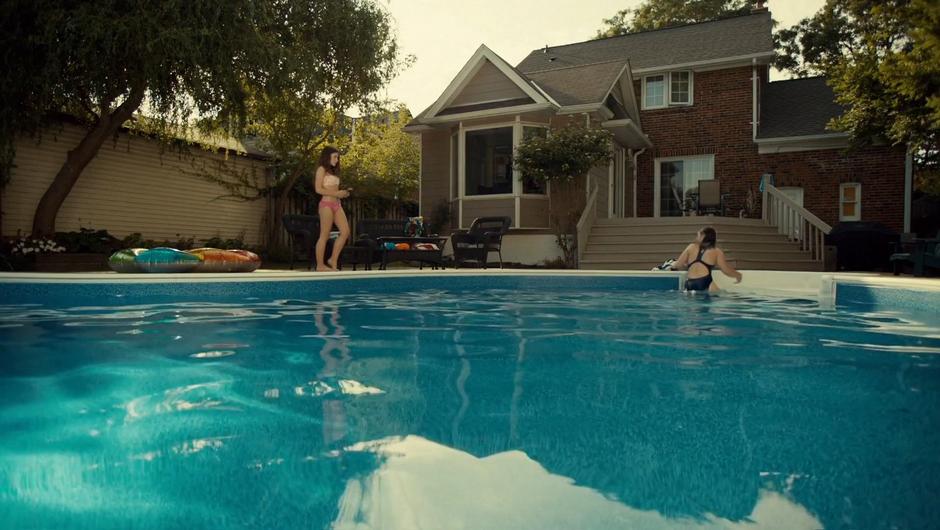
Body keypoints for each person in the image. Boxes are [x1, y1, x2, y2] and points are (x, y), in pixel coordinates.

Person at [314, 146, 352, 272]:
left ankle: (333, 259)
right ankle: (320, 265)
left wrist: (343, 193)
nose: (337, 160)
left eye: (338, 157)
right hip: (326, 205)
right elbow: (318, 189)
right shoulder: (321, 170)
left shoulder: (333, 171)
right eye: (335, 157)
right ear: (327, 156)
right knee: (324, 235)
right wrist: (336, 194)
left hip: (337, 205)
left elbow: (334, 190)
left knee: (345, 232)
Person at [671, 226, 742, 293]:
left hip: (689, 283)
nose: (696, 237)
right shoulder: (716, 251)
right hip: (704, 281)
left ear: (704, 236)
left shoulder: (690, 247)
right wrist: (737, 275)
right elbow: (725, 270)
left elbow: (677, 265)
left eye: (698, 235)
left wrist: (672, 266)